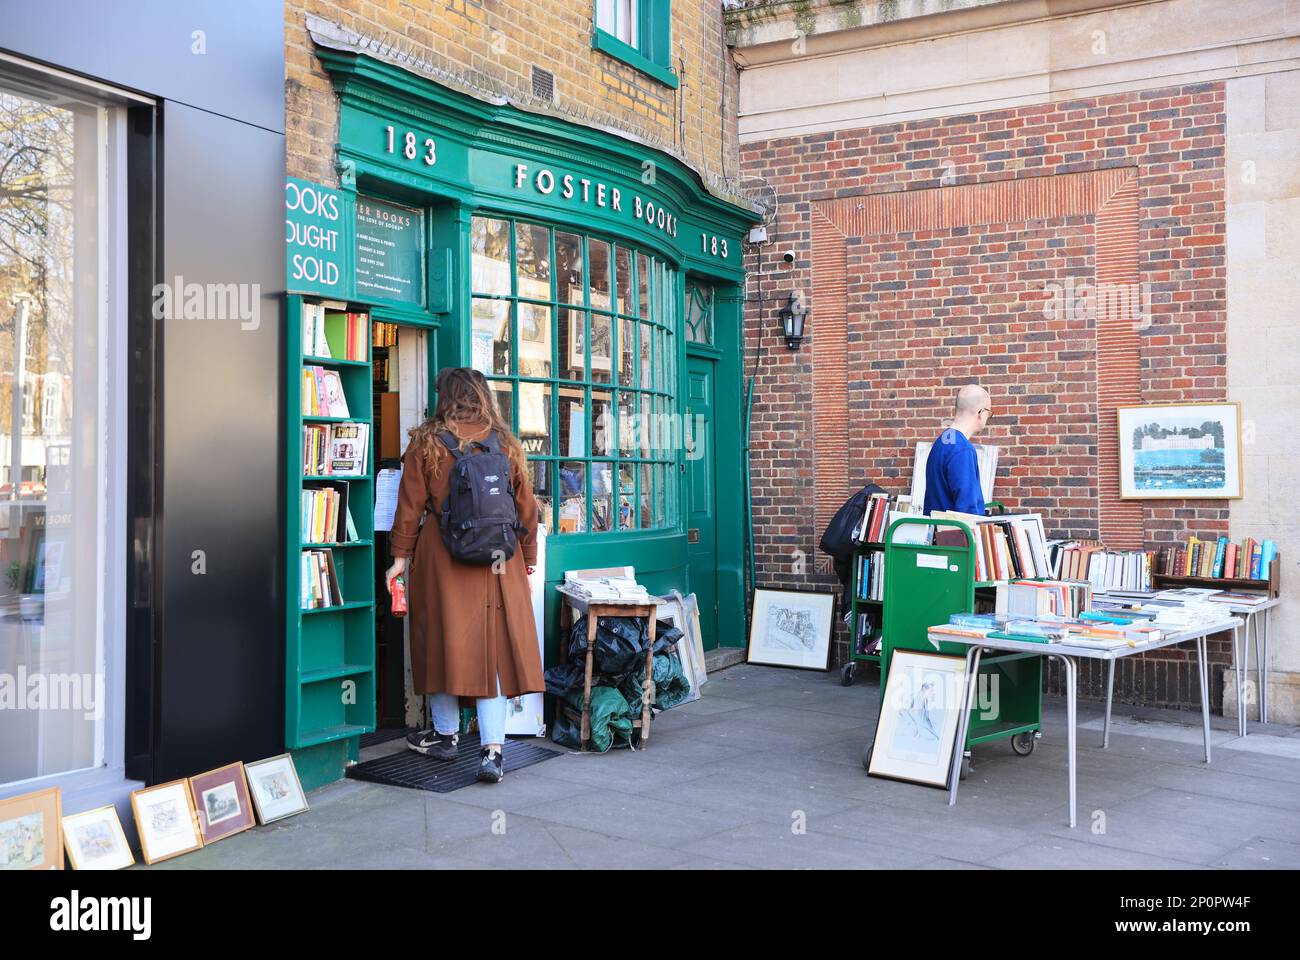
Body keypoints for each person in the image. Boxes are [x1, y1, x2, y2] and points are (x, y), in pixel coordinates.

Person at [384, 367, 544, 784]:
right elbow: (526, 508)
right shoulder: (505, 442)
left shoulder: (426, 442)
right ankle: (493, 751)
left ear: (445, 397)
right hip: (499, 562)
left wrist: (399, 558)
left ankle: (446, 736)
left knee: (442, 641)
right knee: (490, 652)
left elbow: (410, 506)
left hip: (443, 558)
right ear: (483, 395)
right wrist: (527, 560)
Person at [923, 384, 990, 516]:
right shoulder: (963, 449)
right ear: (981, 413)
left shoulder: (944, 440)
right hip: (953, 533)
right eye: (989, 412)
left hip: (937, 530)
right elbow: (967, 507)